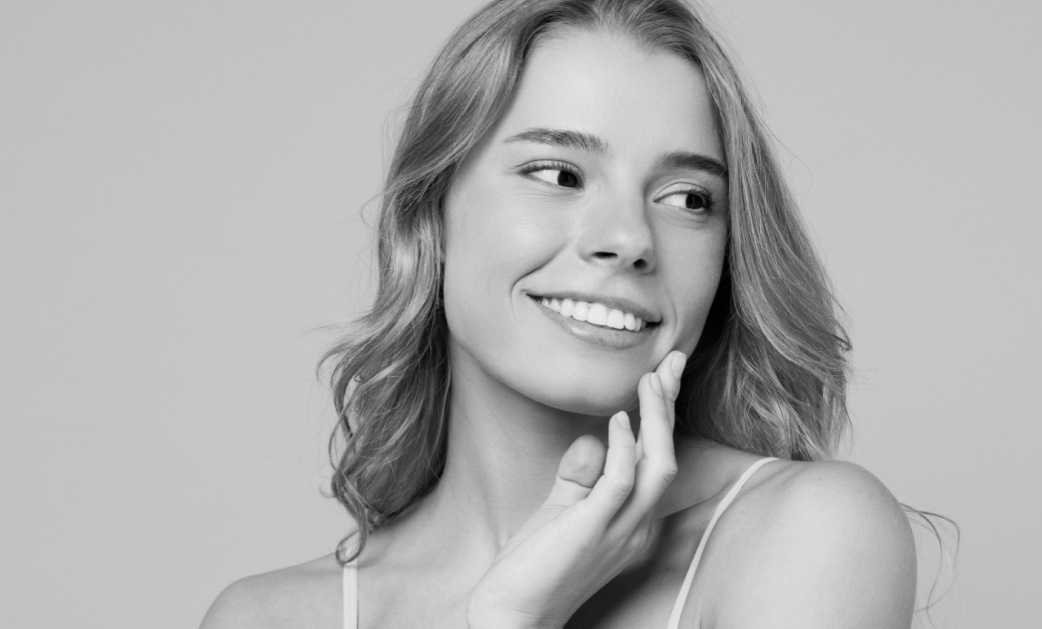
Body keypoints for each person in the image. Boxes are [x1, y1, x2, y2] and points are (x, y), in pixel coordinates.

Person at [201, 0, 923, 626]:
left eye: (687, 198)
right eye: (558, 174)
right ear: (429, 217)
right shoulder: (265, 618)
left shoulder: (808, 533)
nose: (630, 239)